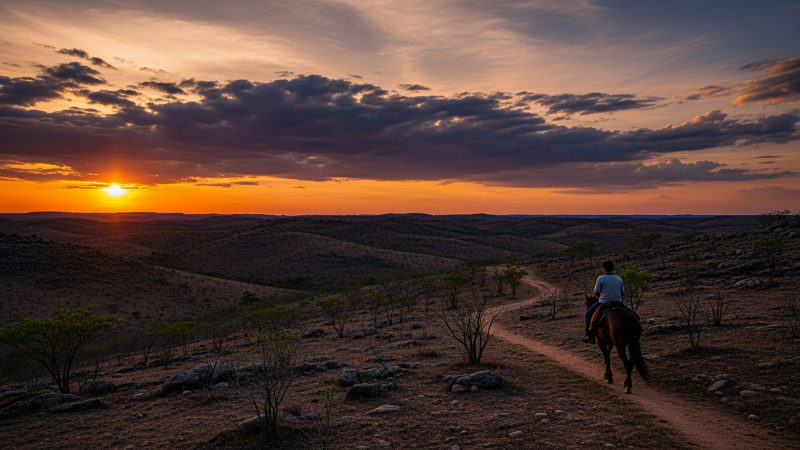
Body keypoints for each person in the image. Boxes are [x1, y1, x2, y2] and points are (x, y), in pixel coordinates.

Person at [583, 260, 624, 344]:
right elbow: (622, 293)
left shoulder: (601, 278)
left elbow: (596, 292)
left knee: (588, 314)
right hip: (618, 302)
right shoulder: (618, 278)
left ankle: (590, 335)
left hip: (604, 302)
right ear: (613, 269)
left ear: (603, 269)